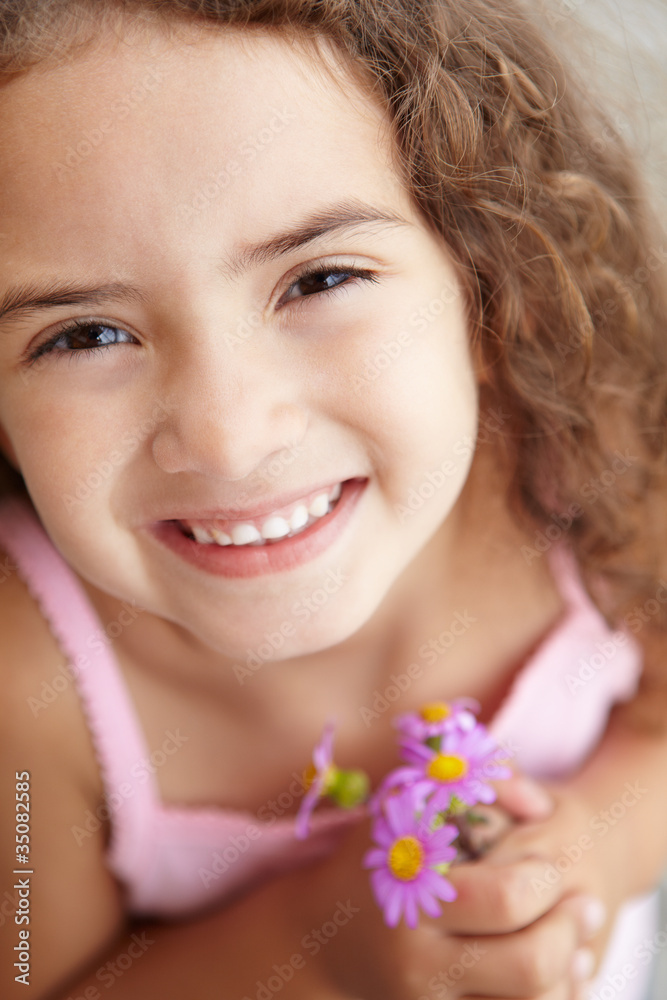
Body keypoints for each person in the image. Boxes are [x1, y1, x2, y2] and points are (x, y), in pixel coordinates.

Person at [0, 1, 665, 997]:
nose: (227, 436)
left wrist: (600, 843)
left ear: (491, 290)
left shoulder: (592, 448)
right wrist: (314, 944)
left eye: (319, 279)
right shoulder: (28, 691)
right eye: (85, 336)